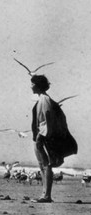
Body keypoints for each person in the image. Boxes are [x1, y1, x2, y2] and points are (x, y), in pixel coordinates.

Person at [30, 75, 77, 203]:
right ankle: (45, 194)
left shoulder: (44, 100)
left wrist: (40, 136)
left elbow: (46, 120)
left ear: (38, 85)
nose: (31, 86)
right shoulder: (43, 99)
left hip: (42, 137)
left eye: (33, 84)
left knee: (45, 165)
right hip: (40, 136)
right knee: (43, 166)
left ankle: (46, 196)